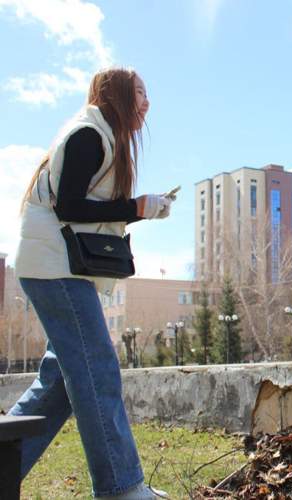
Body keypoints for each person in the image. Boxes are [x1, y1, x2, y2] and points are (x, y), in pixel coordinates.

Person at [11, 68, 174, 499]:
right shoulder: (89, 134)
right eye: (139, 92)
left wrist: (143, 209)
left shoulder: (100, 134)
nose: (147, 102)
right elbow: (69, 207)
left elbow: (84, 209)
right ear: (115, 94)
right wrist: (136, 207)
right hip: (55, 268)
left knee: (58, 386)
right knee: (97, 368)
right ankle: (121, 487)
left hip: (55, 267)